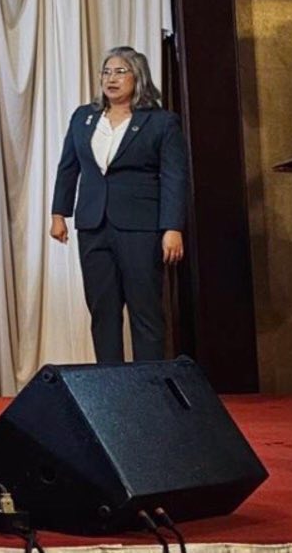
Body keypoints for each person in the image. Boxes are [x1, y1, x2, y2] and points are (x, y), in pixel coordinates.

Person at [51, 45, 189, 363]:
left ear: (138, 77)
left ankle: (147, 384)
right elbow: (68, 167)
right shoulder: (83, 118)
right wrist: (59, 213)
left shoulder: (161, 122)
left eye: (120, 72)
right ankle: (110, 385)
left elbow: (174, 177)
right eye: (106, 72)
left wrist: (172, 227)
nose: (111, 79)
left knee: (145, 311)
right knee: (103, 311)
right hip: (93, 225)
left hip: (140, 227)